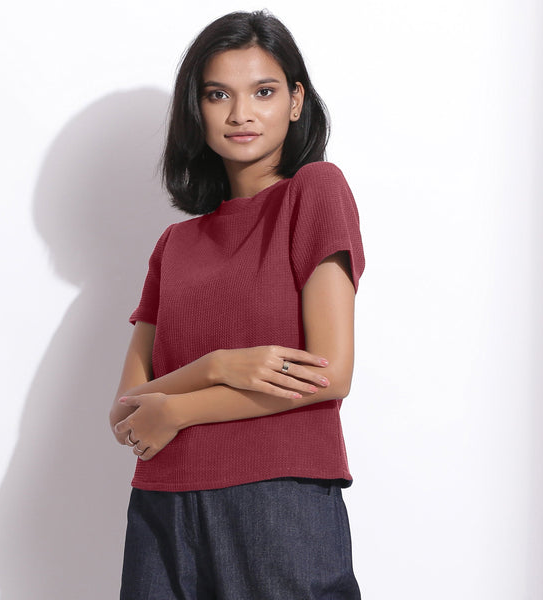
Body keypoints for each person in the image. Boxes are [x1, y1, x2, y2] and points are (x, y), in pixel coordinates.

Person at [109, 9, 365, 600]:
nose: (241, 113)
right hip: (161, 503)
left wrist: (179, 409)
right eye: (218, 94)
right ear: (195, 110)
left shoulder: (315, 191)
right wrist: (217, 366)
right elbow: (126, 413)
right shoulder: (175, 245)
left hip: (278, 500)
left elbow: (330, 374)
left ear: (296, 101)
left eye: (265, 91)